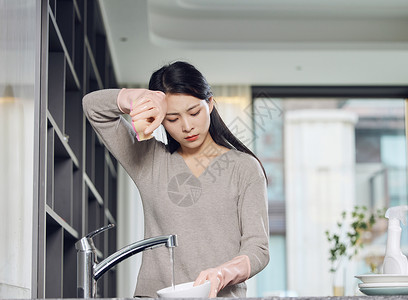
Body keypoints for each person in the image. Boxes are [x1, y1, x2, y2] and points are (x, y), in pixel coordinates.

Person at [82, 61, 269, 298]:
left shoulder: (244, 168)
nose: (187, 126)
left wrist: (223, 273)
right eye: (172, 118)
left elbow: (258, 249)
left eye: (194, 112)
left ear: (210, 104)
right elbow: (93, 107)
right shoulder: (149, 161)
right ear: (160, 119)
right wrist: (141, 99)